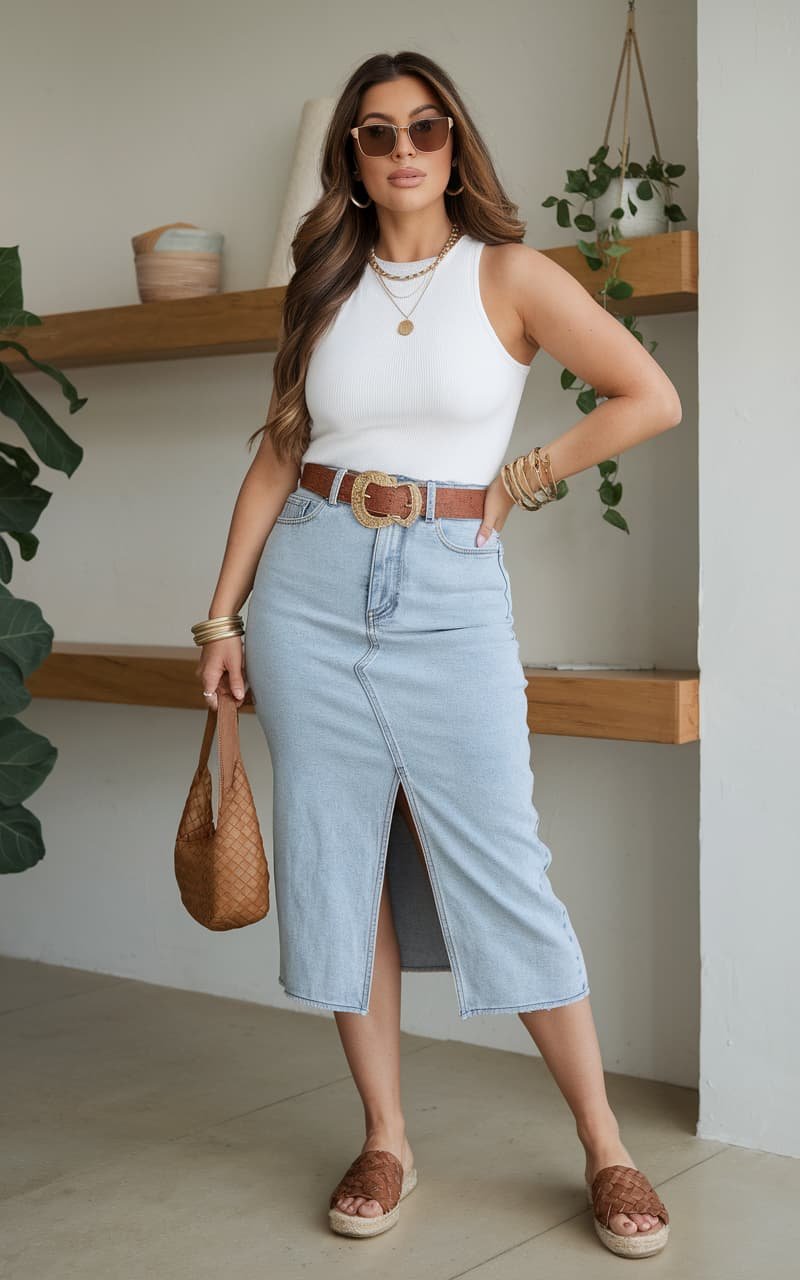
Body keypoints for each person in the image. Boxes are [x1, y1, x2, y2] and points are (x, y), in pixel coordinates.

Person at [193, 51, 680, 1257]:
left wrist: (519, 479)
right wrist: (220, 618)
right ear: (351, 161)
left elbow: (646, 394)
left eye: (424, 127)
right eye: (376, 133)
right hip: (307, 586)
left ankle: (604, 1143)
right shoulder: (322, 282)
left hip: (449, 591)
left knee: (504, 861)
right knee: (339, 858)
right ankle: (386, 1137)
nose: (402, 148)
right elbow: (276, 454)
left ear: (454, 145)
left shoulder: (509, 273)